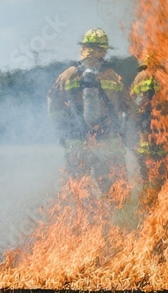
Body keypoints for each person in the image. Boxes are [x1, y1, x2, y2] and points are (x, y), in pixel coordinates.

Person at [48, 28, 128, 195]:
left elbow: (54, 106)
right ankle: (113, 220)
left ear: (83, 48)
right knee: (113, 192)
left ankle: (86, 219)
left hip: (76, 143)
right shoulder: (112, 77)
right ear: (103, 50)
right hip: (107, 142)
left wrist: (63, 131)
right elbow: (127, 107)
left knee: (79, 193)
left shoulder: (67, 75)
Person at [129, 54, 168, 200]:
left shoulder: (140, 77)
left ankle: (150, 203)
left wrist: (137, 121)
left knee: (148, 174)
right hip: (164, 131)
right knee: (164, 174)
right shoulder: (166, 76)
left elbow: (132, 103)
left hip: (145, 132)